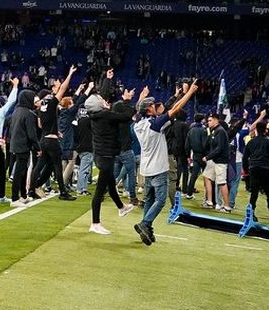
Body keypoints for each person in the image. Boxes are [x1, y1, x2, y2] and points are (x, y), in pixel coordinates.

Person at [132, 81, 199, 245]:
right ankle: (145, 224)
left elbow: (164, 109)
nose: (156, 107)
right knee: (160, 200)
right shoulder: (154, 124)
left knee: (149, 200)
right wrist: (189, 92)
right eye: (154, 106)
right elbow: (174, 110)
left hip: (146, 168)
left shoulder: (138, 124)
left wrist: (179, 94)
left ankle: (146, 230)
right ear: (149, 110)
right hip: (158, 168)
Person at [86, 88, 137, 235]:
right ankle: (95, 223)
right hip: (106, 156)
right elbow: (127, 116)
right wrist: (127, 100)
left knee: (111, 184)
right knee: (99, 192)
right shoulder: (105, 115)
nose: (103, 99)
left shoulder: (95, 115)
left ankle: (121, 207)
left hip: (101, 155)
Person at [31, 67, 77, 201]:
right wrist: (69, 74)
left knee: (40, 165)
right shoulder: (51, 102)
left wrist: (53, 129)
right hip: (52, 140)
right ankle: (63, 192)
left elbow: (40, 124)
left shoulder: (41, 107)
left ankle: (32, 189)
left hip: (44, 139)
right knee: (57, 166)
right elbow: (63, 88)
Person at [8, 89, 40, 206]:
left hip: (14, 144)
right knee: (19, 172)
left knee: (23, 170)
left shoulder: (16, 111)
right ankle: (15, 198)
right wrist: (38, 147)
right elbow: (32, 134)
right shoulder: (29, 114)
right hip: (23, 145)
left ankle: (23, 195)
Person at [199, 112, 231, 212]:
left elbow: (219, 148)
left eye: (210, 120)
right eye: (208, 121)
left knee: (221, 182)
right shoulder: (214, 131)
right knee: (206, 176)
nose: (208, 122)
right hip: (214, 160)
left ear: (216, 120)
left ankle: (226, 206)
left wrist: (208, 157)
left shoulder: (220, 131)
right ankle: (209, 201)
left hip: (220, 160)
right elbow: (207, 144)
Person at [245, 118, 269, 223]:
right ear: (265, 130)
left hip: (254, 168)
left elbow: (245, 158)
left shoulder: (251, 142)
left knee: (254, 193)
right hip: (266, 169)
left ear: (256, 130)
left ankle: (251, 213)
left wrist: (246, 170)